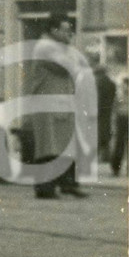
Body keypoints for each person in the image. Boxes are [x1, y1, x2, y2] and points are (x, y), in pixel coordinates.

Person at [28, 12, 88, 199]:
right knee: (49, 146)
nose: (69, 33)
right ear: (53, 30)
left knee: (66, 144)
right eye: (66, 30)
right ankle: (45, 188)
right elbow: (70, 67)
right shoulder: (45, 46)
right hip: (47, 104)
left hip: (61, 102)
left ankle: (68, 183)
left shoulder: (59, 46)